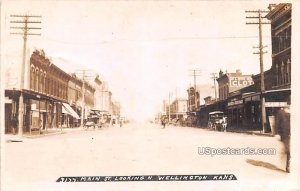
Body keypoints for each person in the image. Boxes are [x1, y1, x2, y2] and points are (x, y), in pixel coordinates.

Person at [275, 106, 290, 173]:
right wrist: (277, 133)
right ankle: (288, 167)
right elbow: (277, 123)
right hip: (285, 135)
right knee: (289, 151)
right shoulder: (280, 112)